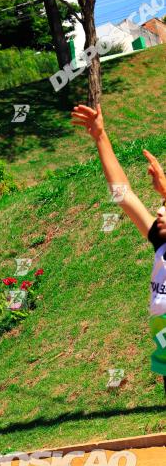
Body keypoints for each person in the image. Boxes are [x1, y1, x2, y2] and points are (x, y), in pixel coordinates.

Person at [71, 104, 166, 387]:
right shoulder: (161, 243)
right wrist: (100, 136)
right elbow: (122, 194)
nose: (159, 212)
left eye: (165, 208)